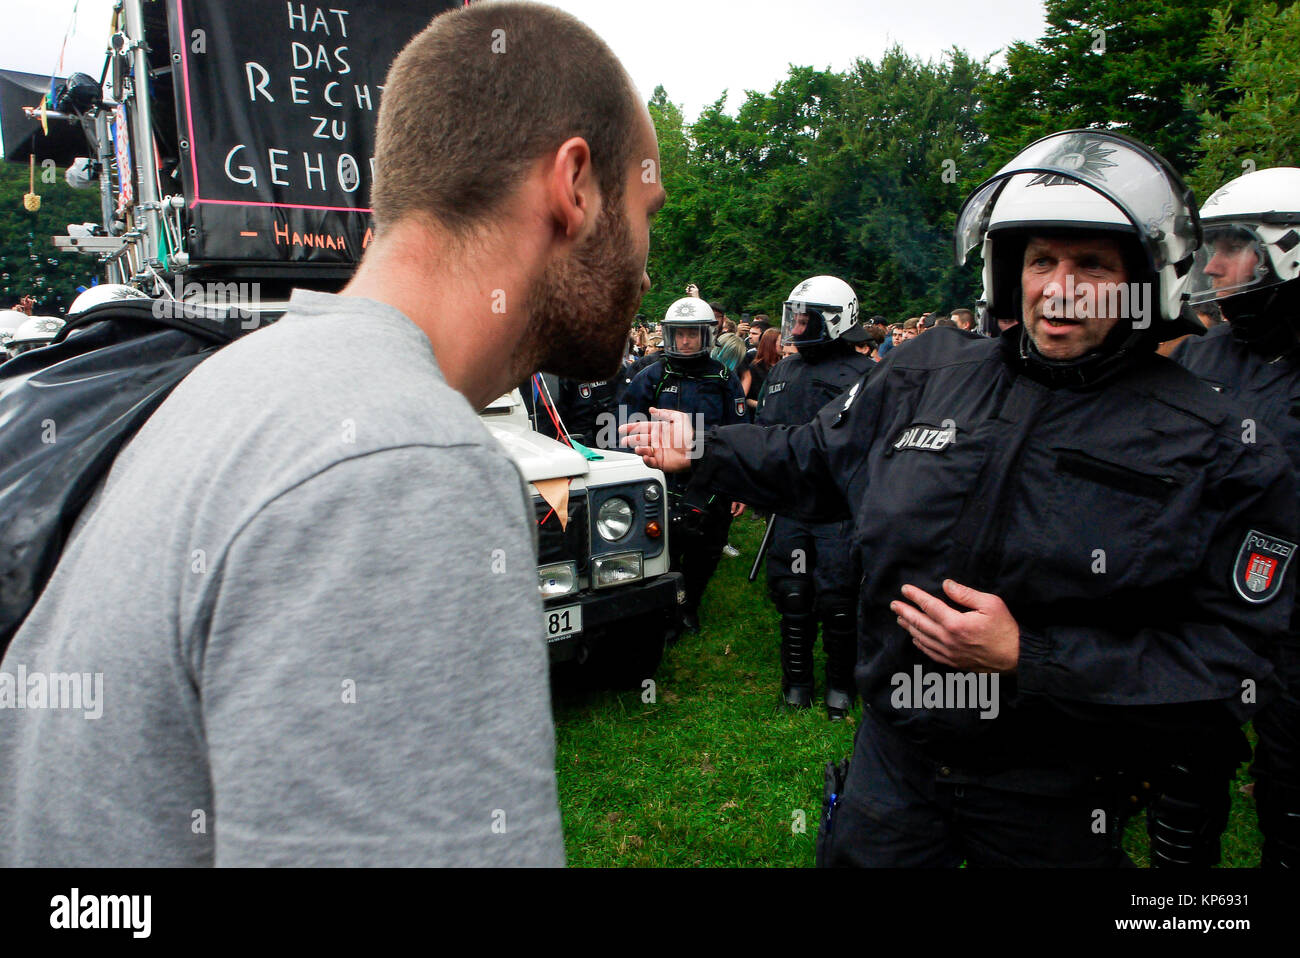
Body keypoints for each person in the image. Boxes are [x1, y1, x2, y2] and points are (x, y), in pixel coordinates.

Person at [0, 1, 665, 867]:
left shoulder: (242, 383)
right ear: (574, 186)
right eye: (646, 205)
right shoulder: (401, 464)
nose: (649, 263)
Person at [624, 129, 1297, 867]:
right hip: (896, 764)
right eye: (1042, 260)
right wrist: (703, 450)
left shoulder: (1218, 439)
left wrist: (1030, 657)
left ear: (1146, 278)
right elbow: (816, 459)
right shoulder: (929, 371)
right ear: (1009, 273)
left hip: (1060, 791)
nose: (1060, 286)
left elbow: (1228, 657)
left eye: (1094, 265)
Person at [1169, 166, 1300, 868]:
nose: (1211, 265)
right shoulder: (1195, 356)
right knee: (1183, 790)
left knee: (1291, 790)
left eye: (1230, 245)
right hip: (1203, 616)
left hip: (1295, 628)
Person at [758, 276, 875, 719]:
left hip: (839, 510)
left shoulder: (866, 375)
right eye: (796, 318)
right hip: (791, 506)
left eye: (808, 320)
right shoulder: (783, 371)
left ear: (837, 320)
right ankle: (797, 682)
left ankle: (841, 686)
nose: (798, 328)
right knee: (792, 594)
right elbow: (766, 435)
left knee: (840, 599)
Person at [622, 296, 747, 632]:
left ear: (706, 335)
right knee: (661, 543)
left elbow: (739, 434)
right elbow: (626, 428)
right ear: (669, 334)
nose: (686, 340)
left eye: (693, 334)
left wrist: (737, 483)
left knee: (707, 546)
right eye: (680, 334)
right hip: (659, 475)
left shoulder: (724, 378)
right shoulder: (650, 376)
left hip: (710, 475)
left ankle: (690, 604)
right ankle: (663, 606)